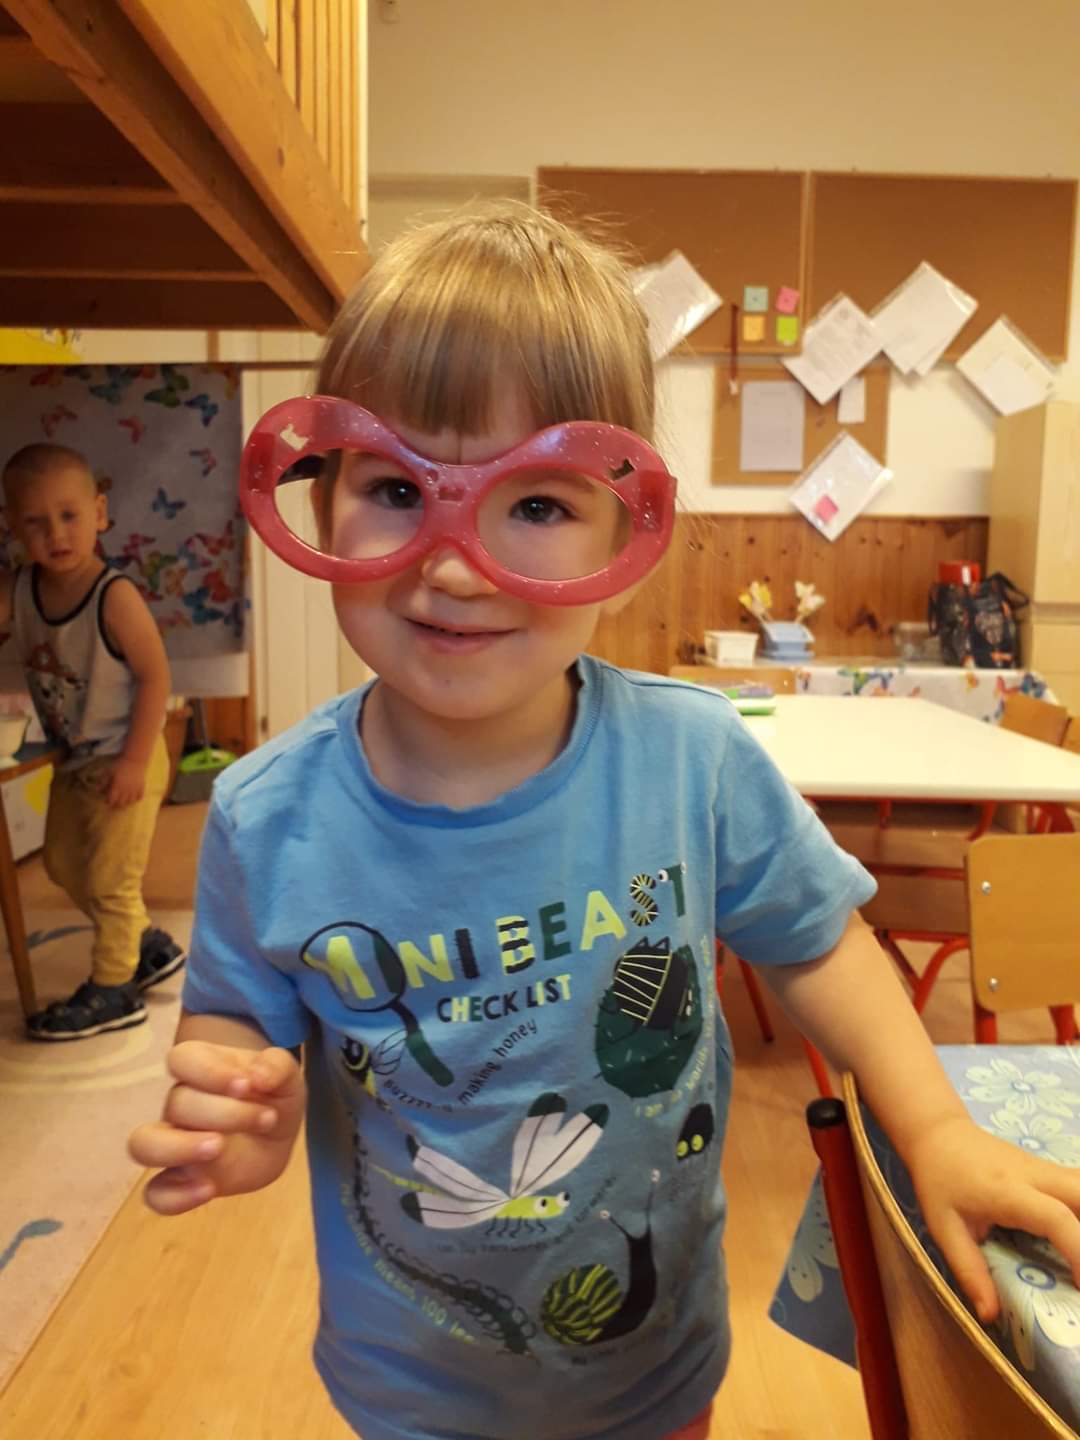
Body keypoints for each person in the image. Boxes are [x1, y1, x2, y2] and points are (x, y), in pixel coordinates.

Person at [128, 204, 1080, 1440]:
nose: (454, 564)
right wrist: (239, 1112)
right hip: (411, 1386)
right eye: (397, 488)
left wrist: (937, 1128)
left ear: (625, 535)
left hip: (654, 1361)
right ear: (319, 506)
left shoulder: (691, 759)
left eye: (534, 505)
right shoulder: (264, 817)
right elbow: (234, 1020)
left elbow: (821, 945)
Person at [0, 443, 185, 1041]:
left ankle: (114, 988)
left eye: (69, 515)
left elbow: (156, 677)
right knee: (62, 865)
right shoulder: (20, 591)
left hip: (127, 756)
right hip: (74, 760)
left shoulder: (113, 596)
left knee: (110, 880)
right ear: (13, 527)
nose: (56, 534)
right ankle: (143, 943)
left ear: (99, 513)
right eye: (35, 522)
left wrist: (134, 760)